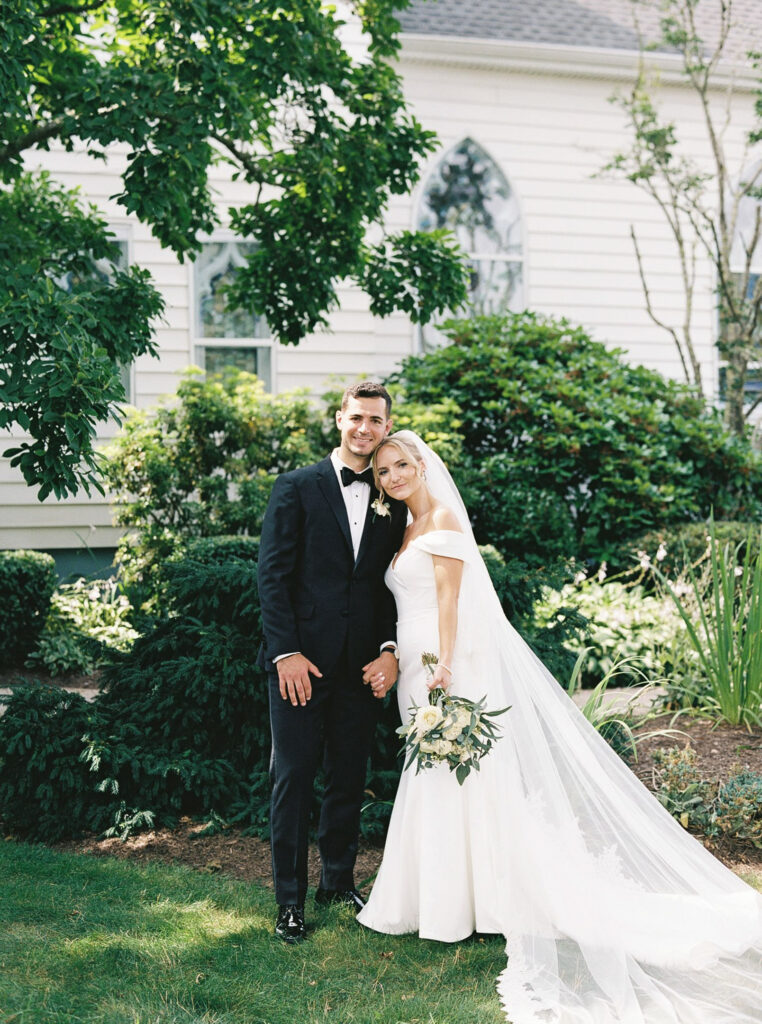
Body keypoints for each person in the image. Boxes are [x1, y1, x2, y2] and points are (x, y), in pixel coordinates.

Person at [357, 430, 762, 1024]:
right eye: (383, 471)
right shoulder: (406, 528)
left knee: (462, 773)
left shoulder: (440, 518)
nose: (392, 476)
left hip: (445, 664)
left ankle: (476, 903)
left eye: (400, 465)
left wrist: (443, 664)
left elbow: (450, 601)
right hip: (418, 665)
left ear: (421, 465)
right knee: (438, 773)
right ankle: (442, 898)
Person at [257, 382, 407, 944]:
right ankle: (290, 903)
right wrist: (285, 653)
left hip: (360, 667)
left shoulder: (392, 495)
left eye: (376, 420)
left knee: (348, 777)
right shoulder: (296, 487)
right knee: (293, 780)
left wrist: (390, 651)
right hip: (299, 665)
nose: (366, 428)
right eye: (357, 418)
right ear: (338, 420)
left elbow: (391, 588)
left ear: (386, 428)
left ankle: (337, 881)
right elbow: (272, 577)